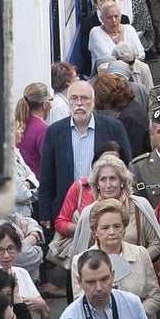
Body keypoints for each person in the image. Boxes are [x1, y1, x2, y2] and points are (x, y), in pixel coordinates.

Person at [38, 80, 132, 234]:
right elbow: (47, 175)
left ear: (93, 102)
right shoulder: (54, 132)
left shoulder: (113, 127)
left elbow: (127, 167)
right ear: (68, 102)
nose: (79, 103)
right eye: (74, 99)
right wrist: (44, 213)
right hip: (66, 210)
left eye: (84, 98)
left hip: (108, 206)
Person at [71, 200, 160, 319]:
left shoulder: (140, 253)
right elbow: (79, 303)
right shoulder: (80, 261)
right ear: (94, 230)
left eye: (117, 226)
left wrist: (135, 314)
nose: (112, 232)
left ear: (124, 228)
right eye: (105, 228)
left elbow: (155, 297)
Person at [0, 222, 50, 319]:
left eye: (11, 248)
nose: (6, 255)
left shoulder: (22, 273)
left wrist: (41, 305)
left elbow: (46, 317)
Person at [15, 82, 52, 175]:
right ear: (45, 104)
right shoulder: (42, 130)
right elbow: (49, 164)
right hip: (36, 185)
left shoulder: (17, 126)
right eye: (51, 100)